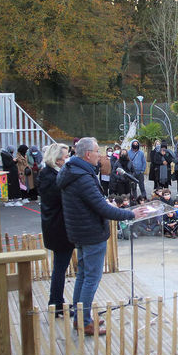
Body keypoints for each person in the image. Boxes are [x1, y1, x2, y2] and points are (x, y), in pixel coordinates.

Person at [58, 137, 144, 336]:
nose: (100, 155)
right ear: (88, 154)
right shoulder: (82, 177)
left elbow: (94, 203)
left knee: (83, 275)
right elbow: (101, 208)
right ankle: (84, 322)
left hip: (80, 231)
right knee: (91, 279)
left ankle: (81, 317)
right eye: (97, 151)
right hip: (90, 233)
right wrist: (131, 214)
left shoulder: (74, 171)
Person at [39, 143, 74, 315]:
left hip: (55, 226)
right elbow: (62, 198)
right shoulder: (51, 177)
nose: (67, 160)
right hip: (59, 228)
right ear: (57, 159)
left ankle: (57, 301)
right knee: (60, 268)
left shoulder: (49, 174)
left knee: (59, 267)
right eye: (65, 157)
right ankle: (56, 303)